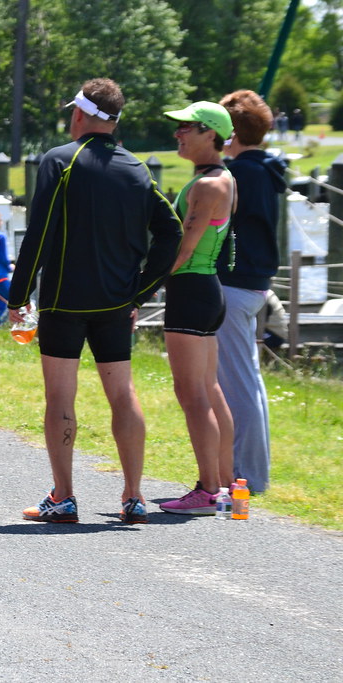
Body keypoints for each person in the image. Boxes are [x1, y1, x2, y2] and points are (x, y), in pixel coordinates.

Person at [7, 78, 182, 525]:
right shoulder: (137, 170)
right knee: (122, 395)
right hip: (115, 306)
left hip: (65, 303)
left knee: (61, 398)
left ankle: (64, 497)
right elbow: (172, 232)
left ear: (80, 115)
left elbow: (39, 233)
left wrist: (18, 294)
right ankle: (134, 496)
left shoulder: (59, 162)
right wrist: (141, 291)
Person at [157, 101, 237, 514]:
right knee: (208, 389)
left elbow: (184, 250)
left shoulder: (207, 185)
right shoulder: (223, 178)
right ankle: (225, 484)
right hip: (207, 291)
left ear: (211, 133)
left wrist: (138, 291)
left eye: (187, 128)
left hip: (191, 292)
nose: (179, 135)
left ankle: (208, 490)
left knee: (191, 394)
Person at [215, 90, 288, 495]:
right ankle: (250, 472)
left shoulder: (241, 174)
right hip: (255, 284)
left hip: (235, 283)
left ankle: (246, 475)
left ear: (231, 133)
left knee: (238, 383)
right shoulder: (267, 169)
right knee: (249, 381)